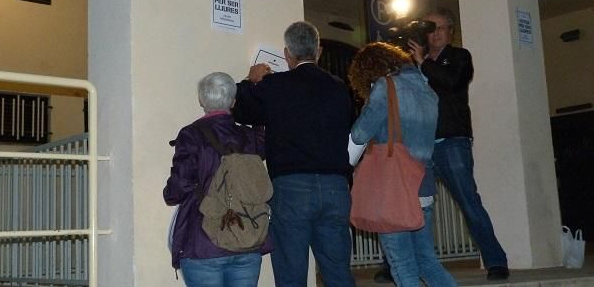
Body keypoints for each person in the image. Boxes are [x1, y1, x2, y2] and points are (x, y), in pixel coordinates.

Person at [233, 21, 356, 287]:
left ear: (287, 53)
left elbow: (240, 109)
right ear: (319, 51)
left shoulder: (275, 85)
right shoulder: (338, 88)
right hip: (336, 187)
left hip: (291, 187)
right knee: (338, 271)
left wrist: (250, 80)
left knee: (291, 272)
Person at [408, 7, 510, 281]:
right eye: (431, 27)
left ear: (450, 32)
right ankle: (400, 264)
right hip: (421, 147)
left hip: (452, 142)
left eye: (441, 27)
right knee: (410, 206)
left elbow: (451, 83)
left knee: (468, 202)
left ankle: (496, 262)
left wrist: (423, 63)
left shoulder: (459, 57)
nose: (436, 33)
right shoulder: (413, 63)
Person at [349, 42, 457, 287]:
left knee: (402, 265)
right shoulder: (427, 89)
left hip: (394, 189)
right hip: (424, 187)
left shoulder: (385, 87)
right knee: (427, 261)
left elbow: (360, 133)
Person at [163, 72, 270, 287]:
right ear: (233, 101)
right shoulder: (248, 137)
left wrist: (169, 192)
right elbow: (262, 132)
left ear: (201, 100)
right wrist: (253, 86)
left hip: (203, 241)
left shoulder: (191, 135)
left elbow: (178, 189)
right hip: (247, 237)